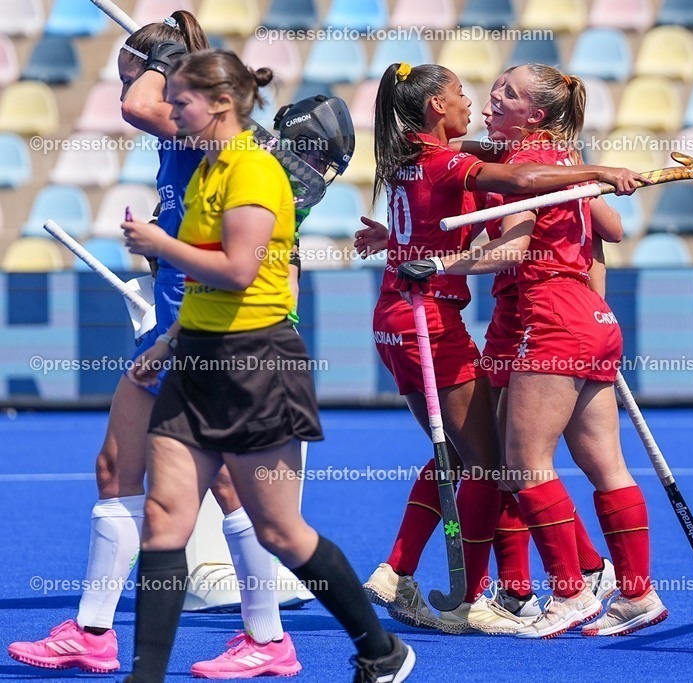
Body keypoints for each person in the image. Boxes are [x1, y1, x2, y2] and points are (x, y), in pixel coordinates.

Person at [7, 13, 306, 679]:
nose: (134, 100)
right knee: (118, 466)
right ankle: (93, 630)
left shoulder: (191, 130)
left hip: (204, 337)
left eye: (139, 78)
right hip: (167, 331)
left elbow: (138, 101)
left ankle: (269, 637)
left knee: (235, 491)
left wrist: (157, 58)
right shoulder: (182, 140)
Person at [117, 49, 412, 683]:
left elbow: (239, 270)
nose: (171, 110)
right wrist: (169, 344)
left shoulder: (254, 171)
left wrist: (157, 244)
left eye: (181, 99)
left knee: (281, 532)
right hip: (196, 356)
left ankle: (381, 649)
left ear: (220, 104)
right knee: (164, 518)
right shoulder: (210, 169)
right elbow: (201, 280)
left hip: (254, 361)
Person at [358, 62, 646, 635]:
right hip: (443, 316)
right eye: (467, 94)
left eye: (499, 94)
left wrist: (407, 246)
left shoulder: (421, 157)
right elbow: (534, 198)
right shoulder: (465, 160)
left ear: (533, 112)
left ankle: (499, 586)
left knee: (485, 459)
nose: (480, 102)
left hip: (430, 315)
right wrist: (595, 170)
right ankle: (517, 588)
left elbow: (528, 213)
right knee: (494, 461)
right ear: (437, 108)